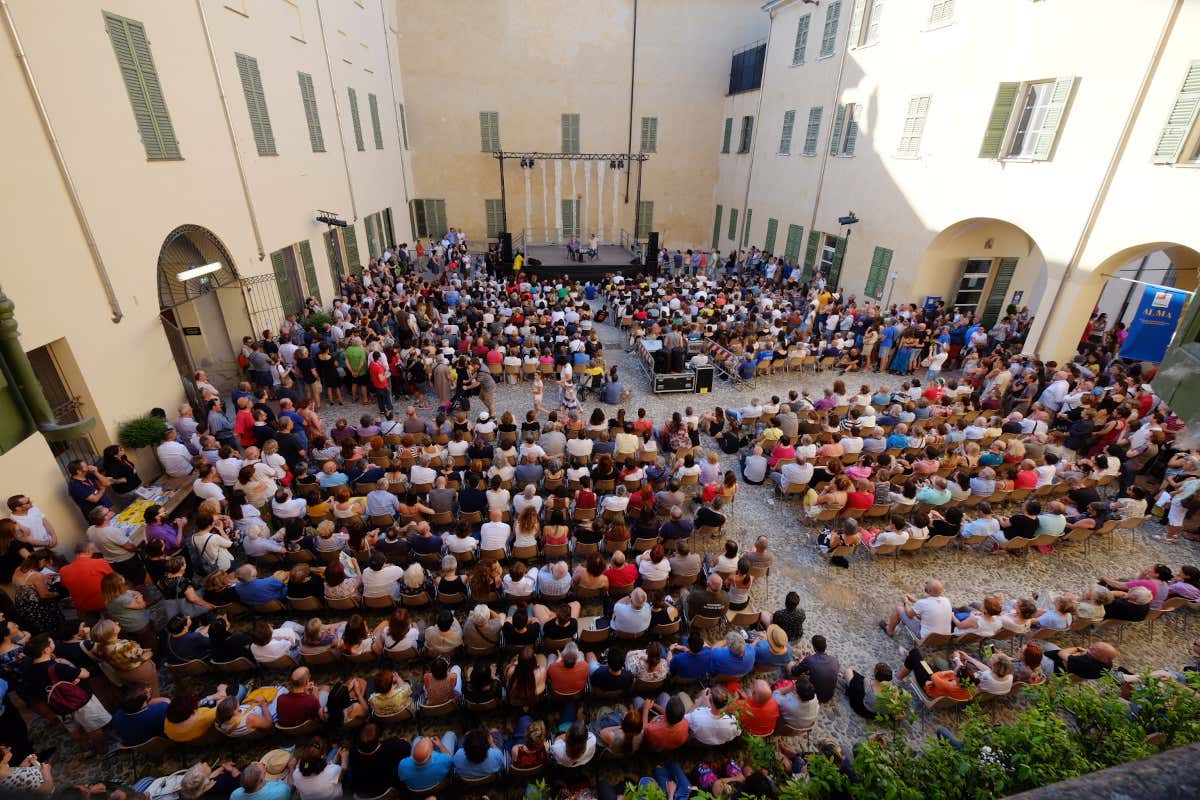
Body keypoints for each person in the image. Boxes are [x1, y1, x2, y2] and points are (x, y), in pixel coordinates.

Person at [881, 579, 953, 640]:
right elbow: (929, 605)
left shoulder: (923, 603)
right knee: (919, 614)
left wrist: (906, 602)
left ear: (929, 591)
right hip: (944, 637)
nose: (926, 584)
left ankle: (889, 631)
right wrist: (915, 601)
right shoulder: (946, 600)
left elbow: (909, 614)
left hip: (926, 637)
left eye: (927, 584)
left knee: (899, 609)